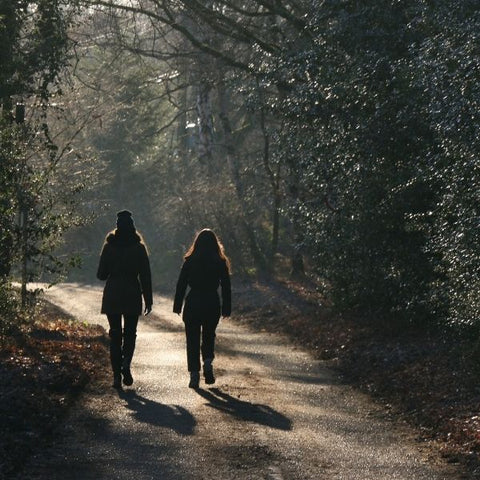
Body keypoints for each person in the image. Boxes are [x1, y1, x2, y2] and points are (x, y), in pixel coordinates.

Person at [97, 210, 152, 388]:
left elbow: (101, 275)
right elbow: (145, 276)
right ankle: (126, 362)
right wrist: (148, 299)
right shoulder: (139, 247)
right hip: (132, 292)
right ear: (132, 226)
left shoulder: (109, 246)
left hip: (113, 293)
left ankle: (115, 376)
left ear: (117, 226)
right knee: (130, 333)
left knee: (115, 334)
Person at [173, 229, 231, 388]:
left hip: (193, 302)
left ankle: (194, 374)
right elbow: (226, 286)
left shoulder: (190, 260)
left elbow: (181, 283)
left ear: (197, 243)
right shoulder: (220, 261)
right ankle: (207, 362)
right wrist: (226, 308)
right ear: (215, 244)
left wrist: (178, 304)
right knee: (208, 335)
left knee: (192, 339)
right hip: (212, 302)